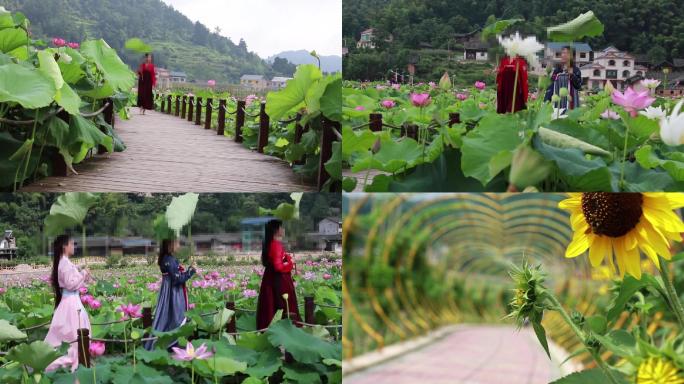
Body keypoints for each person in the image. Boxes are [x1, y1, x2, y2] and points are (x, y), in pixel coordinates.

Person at [44, 234, 93, 372]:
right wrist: (83, 273)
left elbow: (73, 283)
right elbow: (71, 285)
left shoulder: (64, 261)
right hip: (71, 302)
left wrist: (83, 274)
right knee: (73, 333)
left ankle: (80, 359)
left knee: (72, 333)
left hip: (71, 300)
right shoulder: (64, 262)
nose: (74, 246)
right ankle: (76, 361)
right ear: (65, 246)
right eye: (72, 244)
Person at [144, 238, 196, 350]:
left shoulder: (166, 258)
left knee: (166, 317)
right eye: (176, 242)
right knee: (176, 317)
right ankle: (171, 345)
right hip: (173, 293)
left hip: (167, 292)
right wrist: (191, 271)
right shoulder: (170, 259)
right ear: (170, 244)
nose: (178, 245)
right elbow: (177, 279)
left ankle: (168, 344)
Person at [256, 219, 302, 330]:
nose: (283, 229)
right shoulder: (276, 245)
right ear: (276, 230)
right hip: (279, 280)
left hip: (270, 278)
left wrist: (286, 257)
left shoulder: (269, 244)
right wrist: (290, 264)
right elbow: (278, 267)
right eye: (281, 227)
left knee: (271, 304)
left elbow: (275, 262)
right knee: (284, 304)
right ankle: (287, 330)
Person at [544, 46, 582, 111]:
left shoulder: (575, 70)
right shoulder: (557, 70)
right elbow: (551, 85)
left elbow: (578, 86)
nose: (564, 55)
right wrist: (546, 100)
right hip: (558, 102)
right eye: (563, 53)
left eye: (567, 53)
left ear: (573, 56)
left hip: (570, 102)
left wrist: (572, 75)